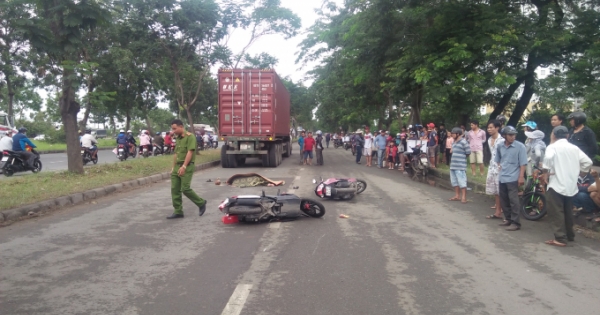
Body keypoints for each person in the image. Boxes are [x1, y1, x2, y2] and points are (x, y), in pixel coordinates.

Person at [540, 126, 593, 246]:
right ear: (567, 135)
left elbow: (548, 158)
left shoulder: (552, 147)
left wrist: (545, 172)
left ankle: (560, 238)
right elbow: (588, 162)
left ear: (553, 135)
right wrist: (582, 171)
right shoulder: (574, 148)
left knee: (556, 212)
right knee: (568, 211)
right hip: (571, 185)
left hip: (556, 184)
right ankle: (569, 235)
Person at [167, 119, 207, 219]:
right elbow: (176, 154)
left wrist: (184, 166)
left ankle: (201, 203)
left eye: (175, 129)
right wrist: (173, 167)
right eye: (172, 129)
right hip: (177, 166)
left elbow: (190, 152)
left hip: (187, 165)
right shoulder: (178, 138)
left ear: (181, 126)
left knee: (185, 189)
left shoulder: (190, 137)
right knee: (175, 189)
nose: (173, 131)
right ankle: (178, 211)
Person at [495, 126, 527, 231]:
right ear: (504, 135)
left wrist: (521, 177)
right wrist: (501, 167)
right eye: (510, 135)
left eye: (514, 135)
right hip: (503, 176)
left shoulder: (520, 146)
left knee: (514, 200)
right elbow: (498, 159)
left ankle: (516, 222)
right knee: (504, 199)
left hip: (513, 177)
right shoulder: (500, 146)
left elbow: (523, 163)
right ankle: (508, 219)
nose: (513, 137)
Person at [485, 120, 505, 220]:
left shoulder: (502, 140)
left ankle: (504, 212)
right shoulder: (489, 140)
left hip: (501, 168)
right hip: (492, 167)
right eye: (488, 128)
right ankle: (497, 211)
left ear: (497, 128)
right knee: (496, 191)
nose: (489, 129)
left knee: (501, 190)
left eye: (491, 127)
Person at [448, 127, 470, 203]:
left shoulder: (464, 142)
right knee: (454, 182)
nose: (452, 135)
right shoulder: (453, 142)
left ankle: (464, 197)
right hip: (453, 165)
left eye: (453, 134)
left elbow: (468, 152)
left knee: (462, 182)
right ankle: (457, 195)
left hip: (460, 166)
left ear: (458, 134)